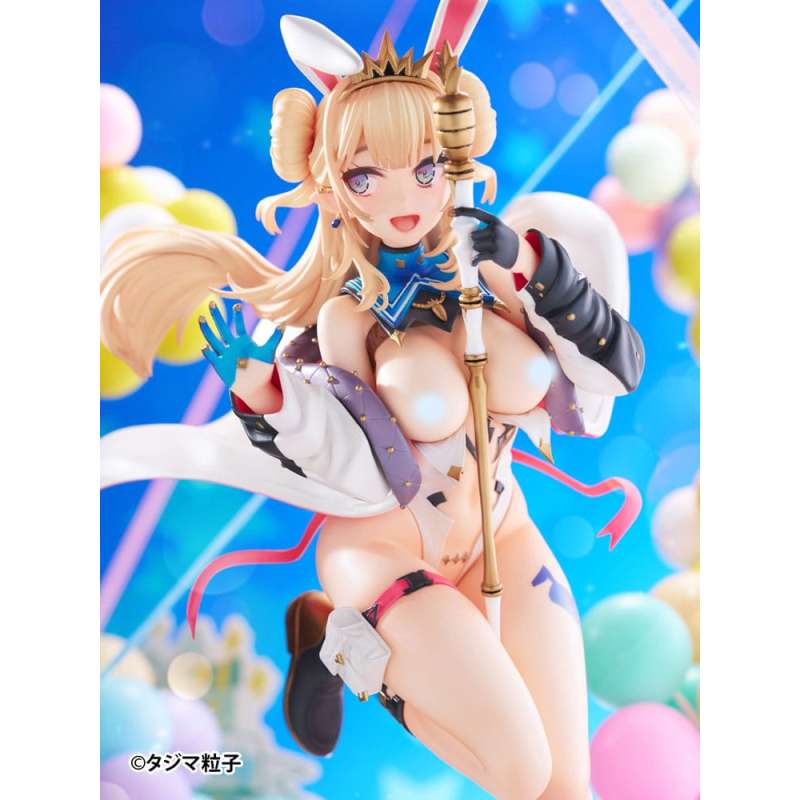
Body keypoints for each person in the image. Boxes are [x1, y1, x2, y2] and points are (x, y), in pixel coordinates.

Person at [100, 15, 643, 799]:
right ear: (333, 182)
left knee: (568, 787)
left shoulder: (500, 267)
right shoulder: (346, 319)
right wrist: (265, 394)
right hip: (389, 553)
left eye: (425, 166)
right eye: (365, 176)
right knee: (521, 775)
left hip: (502, 529)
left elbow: (617, 367)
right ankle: (346, 648)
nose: (400, 197)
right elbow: (339, 450)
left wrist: (530, 262)